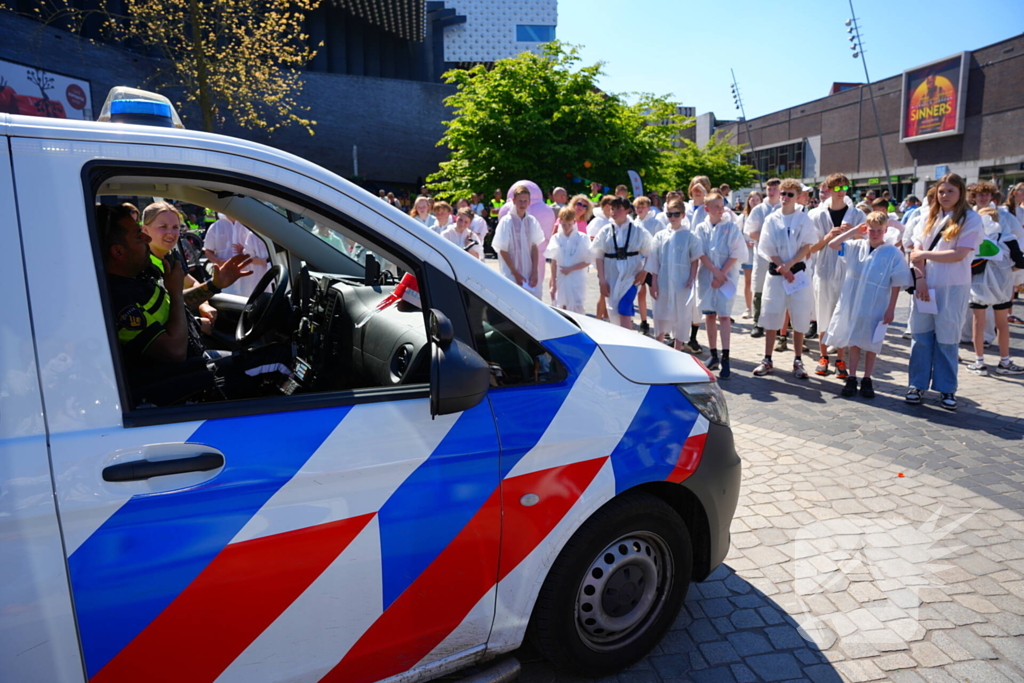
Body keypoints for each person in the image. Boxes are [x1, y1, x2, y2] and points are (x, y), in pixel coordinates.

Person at [906, 173, 985, 411]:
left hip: (953, 286)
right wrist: (919, 279)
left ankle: (947, 388)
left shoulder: (970, 219)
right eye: (941, 191)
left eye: (950, 191)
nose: (945, 196)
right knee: (920, 336)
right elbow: (915, 251)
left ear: (961, 192)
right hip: (926, 285)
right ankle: (916, 385)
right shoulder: (927, 216)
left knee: (947, 338)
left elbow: (959, 254)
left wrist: (925, 256)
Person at [826, 212, 913, 398]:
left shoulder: (892, 253)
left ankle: (867, 378)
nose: (874, 234)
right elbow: (832, 244)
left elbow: (897, 282)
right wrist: (854, 232)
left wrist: (891, 308)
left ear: (885, 230)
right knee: (854, 341)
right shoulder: (856, 246)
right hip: (853, 300)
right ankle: (852, 376)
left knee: (872, 343)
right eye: (871, 230)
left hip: (876, 303)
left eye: (879, 231)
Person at [140, 201, 252, 336]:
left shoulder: (171, 257)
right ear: (145, 230)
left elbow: (191, 283)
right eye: (163, 227)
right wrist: (197, 322)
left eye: (175, 227)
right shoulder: (142, 265)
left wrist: (203, 304)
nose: (171, 233)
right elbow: (165, 307)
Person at [753, 179, 817, 379]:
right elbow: (767, 246)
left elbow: (807, 245)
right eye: (783, 193)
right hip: (777, 273)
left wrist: (790, 265)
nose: (785, 198)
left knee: (799, 315)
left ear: (797, 197)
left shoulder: (803, 219)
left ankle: (798, 360)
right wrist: (782, 266)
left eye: (790, 194)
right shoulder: (772, 219)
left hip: (797, 274)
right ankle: (767, 358)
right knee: (772, 315)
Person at [807, 173, 865, 379]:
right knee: (823, 313)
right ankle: (823, 357)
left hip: (848, 271)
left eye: (844, 189)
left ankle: (841, 358)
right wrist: (827, 237)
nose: (841, 193)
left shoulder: (857, 215)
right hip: (823, 271)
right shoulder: (816, 215)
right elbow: (811, 248)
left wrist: (855, 234)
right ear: (829, 190)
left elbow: (868, 242)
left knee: (843, 314)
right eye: (837, 189)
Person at [965, 208, 1024, 376]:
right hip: (1002, 287)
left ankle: (979, 362)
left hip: (977, 287)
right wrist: (1007, 270)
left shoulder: (975, 238)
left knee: (978, 324)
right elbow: (1021, 261)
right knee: (1003, 324)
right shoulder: (1008, 238)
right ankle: (1004, 361)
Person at [694, 193, 746, 379]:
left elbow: (736, 252)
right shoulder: (701, 228)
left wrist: (721, 274)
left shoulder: (731, 227)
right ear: (707, 208)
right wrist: (714, 272)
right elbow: (700, 252)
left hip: (726, 277)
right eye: (715, 206)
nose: (720, 209)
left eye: (721, 205)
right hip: (707, 277)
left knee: (724, 315)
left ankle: (726, 357)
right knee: (709, 315)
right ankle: (713, 354)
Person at [646, 199, 701, 351]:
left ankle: (678, 350)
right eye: (669, 214)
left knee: (681, 315)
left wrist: (692, 278)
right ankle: (659, 348)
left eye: (676, 214)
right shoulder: (660, 235)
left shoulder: (691, 236)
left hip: (682, 281)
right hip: (663, 280)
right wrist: (653, 282)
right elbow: (654, 260)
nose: (673, 217)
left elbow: (695, 259)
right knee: (661, 313)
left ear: (683, 215)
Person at [592, 197, 653, 329]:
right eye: (612, 209)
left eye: (618, 209)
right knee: (613, 311)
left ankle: (629, 344)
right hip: (611, 276)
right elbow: (598, 256)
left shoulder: (638, 230)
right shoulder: (605, 231)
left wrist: (644, 272)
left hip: (632, 276)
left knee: (624, 307)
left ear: (627, 211)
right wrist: (602, 281)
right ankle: (619, 341)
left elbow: (650, 252)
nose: (614, 212)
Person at [745, 178, 783, 338]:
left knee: (779, 289)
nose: (771, 191)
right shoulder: (759, 209)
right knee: (759, 287)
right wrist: (767, 240)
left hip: (781, 256)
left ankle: (780, 326)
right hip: (762, 256)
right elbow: (750, 231)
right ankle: (757, 322)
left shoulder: (784, 207)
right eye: (769, 188)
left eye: (775, 188)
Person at [492, 184, 545, 297]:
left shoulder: (531, 221)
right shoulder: (506, 222)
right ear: (514, 200)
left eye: (525, 201)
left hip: (530, 272)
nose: (522, 204)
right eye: (520, 201)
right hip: (512, 273)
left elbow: (534, 247)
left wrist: (535, 272)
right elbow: (502, 250)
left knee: (533, 304)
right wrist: (515, 273)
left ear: (529, 202)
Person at [546, 206, 593, 313]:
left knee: (577, 304)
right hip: (561, 277)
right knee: (561, 305)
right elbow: (553, 262)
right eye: (564, 224)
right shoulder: (556, 238)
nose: (566, 227)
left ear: (574, 222)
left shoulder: (582, 238)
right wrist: (553, 283)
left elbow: (588, 260)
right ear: (560, 222)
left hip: (577, 278)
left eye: (569, 224)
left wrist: (571, 268)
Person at [633, 196, 663, 335]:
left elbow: (658, 243)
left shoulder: (655, 223)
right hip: (637, 261)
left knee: (655, 292)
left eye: (642, 206)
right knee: (640, 292)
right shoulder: (633, 223)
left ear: (648, 208)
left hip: (652, 260)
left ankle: (660, 322)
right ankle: (644, 321)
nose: (639, 209)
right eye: (637, 207)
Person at [736, 191, 763, 319]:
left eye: (757, 199)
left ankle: (761, 308)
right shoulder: (743, 217)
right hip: (748, 253)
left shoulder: (765, 215)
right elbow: (736, 235)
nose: (754, 202)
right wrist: (745, 243)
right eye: (752, 199)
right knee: (748, 281)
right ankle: (748, 308)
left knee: (761, 280)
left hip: (762, 252)